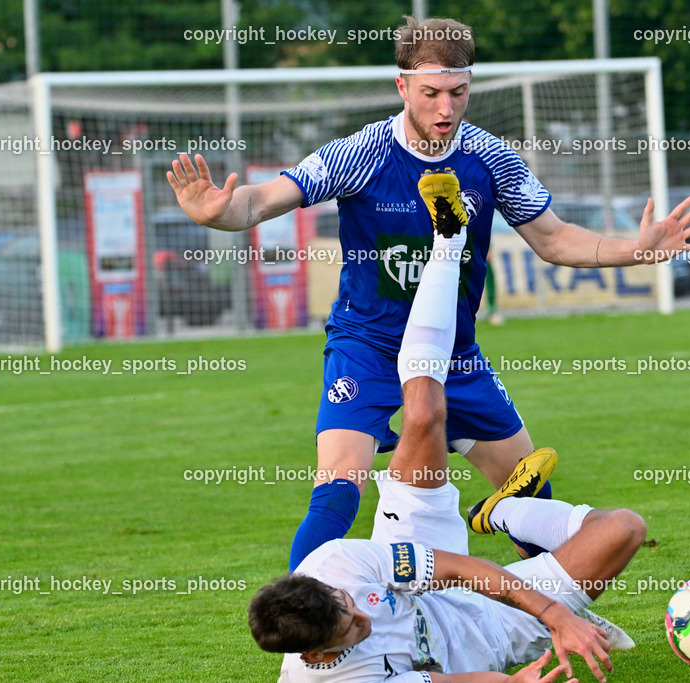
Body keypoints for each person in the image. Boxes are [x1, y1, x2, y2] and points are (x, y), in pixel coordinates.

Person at [166, 15, 690, 570]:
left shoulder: (490, 159)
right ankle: (310, 636)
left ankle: (550, 616)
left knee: (529, 495)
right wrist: (219, 212)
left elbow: (554, 239)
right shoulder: (362, 153)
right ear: (402, 86)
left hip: (454, 355)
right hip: (368, 346)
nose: (445, 109)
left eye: (458, 92)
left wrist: (636, 250)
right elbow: (258, 201)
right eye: (430, 93)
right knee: (337, 489)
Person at [247, 182, 660, 682]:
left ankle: (449, 238)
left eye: (348, 605)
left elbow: (461, 570)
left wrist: (557, 614)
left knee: (423, 409)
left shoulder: (337, 567)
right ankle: (506, 513)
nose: (363, 615)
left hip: (443, 568)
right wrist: (513, 681)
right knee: (625, 528)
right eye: (350, 628)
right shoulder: (328, 680)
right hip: (498, 633)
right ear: (314, 656)